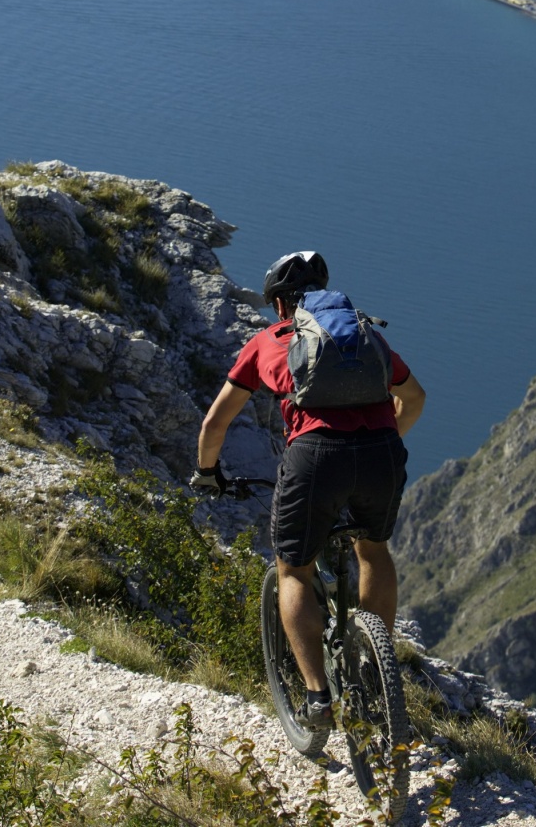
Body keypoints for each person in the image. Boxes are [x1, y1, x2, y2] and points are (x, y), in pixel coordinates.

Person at [193, 250, 425, 728]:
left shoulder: (267, 342)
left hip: (316, 457)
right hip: (382, 452)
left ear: (279, 305)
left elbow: (216, 421)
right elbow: (415, 397)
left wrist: (207, 472)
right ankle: (377, 669)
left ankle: (319, 699)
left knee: (293, 572)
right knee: (373, 549)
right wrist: (380, 443)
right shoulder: (363, 335)